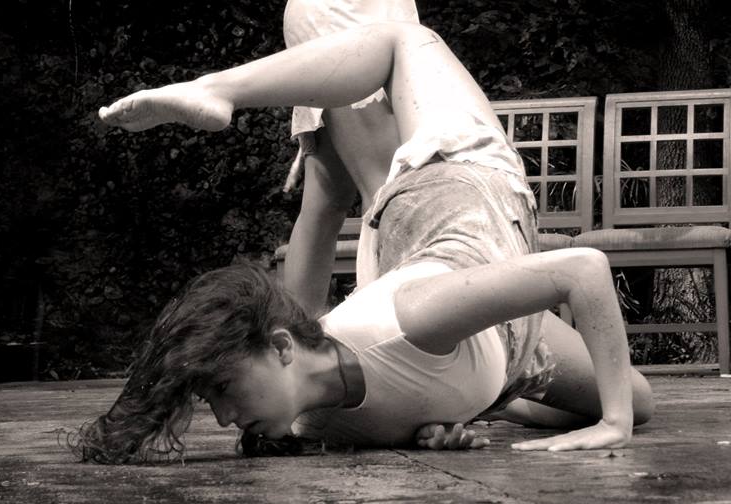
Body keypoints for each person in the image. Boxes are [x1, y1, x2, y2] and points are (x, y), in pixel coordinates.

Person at [88, 22, 655, 463]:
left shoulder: (413, 321)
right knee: (637, 397)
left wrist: (614, 426)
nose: (222, 418)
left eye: (222, 388)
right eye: (212, 399)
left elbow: (584, 269)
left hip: (454, 190)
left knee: (403, 42)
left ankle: (215, 89)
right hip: (493, 338)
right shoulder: (304, 422)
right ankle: (496, 400)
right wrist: (466, 413)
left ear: (283, 347)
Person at [279, 0, 419, 316]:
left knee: (327, 201)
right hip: (347, 15)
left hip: (355, 16)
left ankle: (296, 335)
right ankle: (392, 326)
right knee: (387, 188)